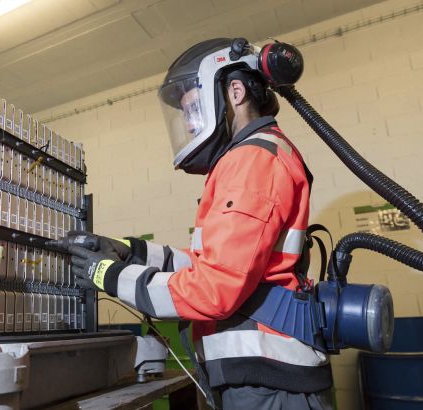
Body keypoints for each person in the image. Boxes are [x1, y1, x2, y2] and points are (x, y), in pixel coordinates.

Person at [58, 38, 333, 409]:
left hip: (269, 386)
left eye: (192, 109)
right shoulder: (250, 157)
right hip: (260, 381)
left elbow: (213, 289)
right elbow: (213, 265)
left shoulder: (253, 159)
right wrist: (129, 250)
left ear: (235, 92)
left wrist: (108, 275)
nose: (188, 124)